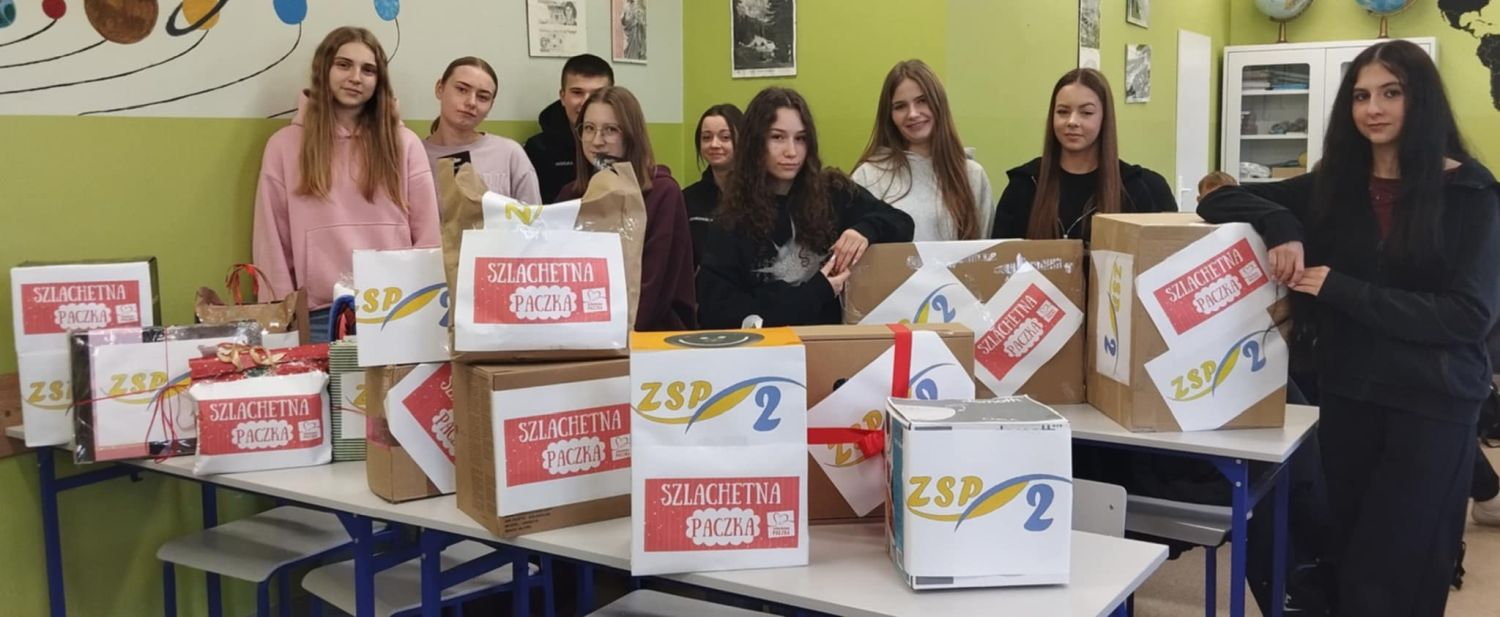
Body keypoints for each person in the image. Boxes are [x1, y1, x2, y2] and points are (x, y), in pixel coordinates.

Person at [1198, 40, 1500, 616]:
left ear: (1421, 100)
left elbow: (1468, 316)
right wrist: (1284, 226)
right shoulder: (1334, 186)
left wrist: (1341, 289)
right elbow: (1219, 199)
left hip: (1432, 406)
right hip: (1348, 397)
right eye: (1361, 96)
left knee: (1402, 571)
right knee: (1349, 561)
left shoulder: (1470, 193)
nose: (1374, 109)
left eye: (1391, 93)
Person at [252, 26, 440, 344]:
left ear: (379, 80)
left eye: (368, 70)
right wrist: (279, 320)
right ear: (323, 69)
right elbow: (272, 241)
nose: (355, 77)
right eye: (343, 65)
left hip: (396, 309)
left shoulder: (405, 143)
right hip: (317, 316)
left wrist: (424, 306)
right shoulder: (284, 145)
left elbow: (428, 238)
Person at [696, 87, 914, 328]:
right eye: (777, 137)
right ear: (755, 143)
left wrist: (864, 230)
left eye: (800, 138)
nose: (791, 152)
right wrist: (817, 291)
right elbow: (720, 313)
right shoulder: (731, 220)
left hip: (831, 344)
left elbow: (902, 223)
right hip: (771, 347)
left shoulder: (833, 191)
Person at [555, 86, 696, 332]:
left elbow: (654, 286)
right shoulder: (570, 195)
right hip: (582, 331)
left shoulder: (663, 193)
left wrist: (610, 335)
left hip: (648, 336)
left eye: (611, 130)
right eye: (589, 128)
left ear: (631, 135)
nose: (597, 141)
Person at [992, 68, 1175, 241]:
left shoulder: (1138, 188)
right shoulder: (1025, 184)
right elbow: (998, 258)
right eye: (1063, 112)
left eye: (1086, 112)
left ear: (1104, 118)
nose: (1072, 121)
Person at [852, 59, 994, 241]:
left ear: (939, 103)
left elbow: (986, 251)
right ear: (890, 116)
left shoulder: (972, 175)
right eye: (900, 106)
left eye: (922, 101)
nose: (912, 114)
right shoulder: (867, 176)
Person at [423, 57, 541, 203]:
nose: (471, 102)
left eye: (483, 97)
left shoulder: (510, 154)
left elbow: (533, 214)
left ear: (491, 106)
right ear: (439, 89)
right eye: (462, 90)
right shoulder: (414, 154)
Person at [525, 54, 613, 201]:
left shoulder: (626, 144)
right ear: (563, 96)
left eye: (597, 94)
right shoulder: (537, 150)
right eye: (577, 93)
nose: (586, 103)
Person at [683, 103, 743, 265]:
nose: (714, 144)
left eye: (725, 137)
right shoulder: (688, 198)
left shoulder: (760, 196)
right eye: (706, 137)